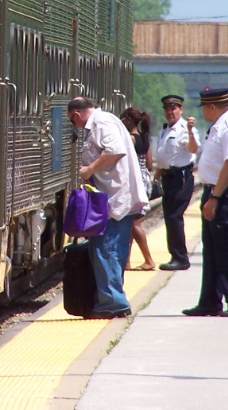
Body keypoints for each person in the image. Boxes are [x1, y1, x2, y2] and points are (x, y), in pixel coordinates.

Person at [68, 96, 147, 318]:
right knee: (111, 250)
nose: (76, 127)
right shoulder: (106, 120)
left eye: (73, 122)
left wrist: (89, 169)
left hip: (115, 199)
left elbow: (115, 150)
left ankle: (112, 302)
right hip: (114, 198)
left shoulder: (101, 123)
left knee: (106, 249)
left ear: (76, 115)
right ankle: (112, 298)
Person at [182, 87, 228, 317]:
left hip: (225, 194)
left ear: (212, 106)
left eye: (204, 107)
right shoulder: (217, 128)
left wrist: (215, 198)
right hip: (215, 192)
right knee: (212, 249)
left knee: (227, 248)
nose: (203, 111)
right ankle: (210, 301)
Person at [152, 94, 200, 271]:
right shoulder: (164, 130)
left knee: (174, 217)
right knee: (170, 217)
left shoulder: (185, 130)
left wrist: (190, 131)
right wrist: (155, 178)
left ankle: (181, 258)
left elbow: (194, 149)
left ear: (181, 110)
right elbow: (164, 157)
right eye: (167, 109)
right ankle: (176, 255)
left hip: (181, 178)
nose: (170, 112)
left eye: (173, 108)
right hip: (168, 178)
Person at [120, 107, 156, 271]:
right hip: (144, 180)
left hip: (135, 181)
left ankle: (149, 260)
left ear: (128, 119)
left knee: (134, 223)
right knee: (131, 222)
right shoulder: (144, 138)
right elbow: (149, 165)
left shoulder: (130, 139)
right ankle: (126, 262)